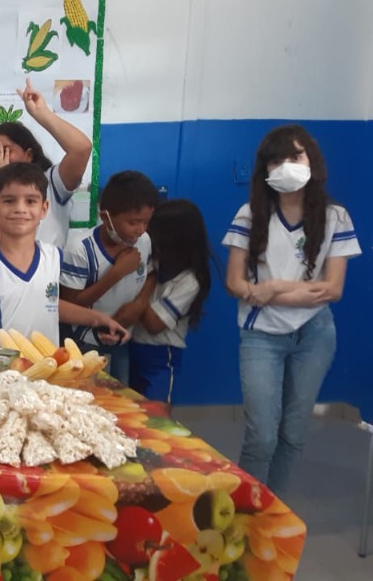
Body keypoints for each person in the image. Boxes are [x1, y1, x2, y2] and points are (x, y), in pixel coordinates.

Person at [223, 124, 359, 494]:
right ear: (264, 169)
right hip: (261, 335)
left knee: (294, 433)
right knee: (262, 436)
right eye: (277, 160)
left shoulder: (336, 217)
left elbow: (333, 289)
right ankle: (247, 511)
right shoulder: (250, 215)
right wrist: (288, 293)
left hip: (315, 334)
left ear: (312, 160)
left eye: (295, 157)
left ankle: (274, 509)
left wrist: (273, 288)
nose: (287, 166)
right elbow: (234, 283)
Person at [0, 163, 128, 368]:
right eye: (9, 201)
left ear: (44, 208)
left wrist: (98, 319)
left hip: (45, 373)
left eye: (30, 201)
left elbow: (47, 303)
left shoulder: (54, 257)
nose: (20, 209)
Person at [60, 171, 161, 382]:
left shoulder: (144, 241)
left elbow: (151, 275)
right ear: (106, 217)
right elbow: (70, 303)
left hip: (121, 339)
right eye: (133, 222)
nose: (140, 230)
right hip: (85, 344)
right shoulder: (80, 249)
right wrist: (116, 273)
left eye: (146, 222)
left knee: (119, 395)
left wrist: (137, 306)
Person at [0, 80, 93, 248]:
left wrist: (41, 113)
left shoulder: (51, 183)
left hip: (50, 265)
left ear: (28, 155)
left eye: (6, 150)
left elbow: (81, 149)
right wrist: (0, 179)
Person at [129, 199, 212, 402]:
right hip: (131, 348)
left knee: (156, 411)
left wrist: (146, 284)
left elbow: (154, 324)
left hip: (161, 355)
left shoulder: (190, 281)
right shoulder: (153, 262)